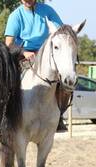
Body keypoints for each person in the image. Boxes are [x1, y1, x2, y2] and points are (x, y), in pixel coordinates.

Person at [4, 0, 69, 131]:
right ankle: (6, 114)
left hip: (47, 55)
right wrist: (24, 52)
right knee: (7, 79)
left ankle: (59, 115)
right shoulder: (15, 16)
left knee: (65, 80)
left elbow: (61, 31)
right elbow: (9, 43)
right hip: (23, 55)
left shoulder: (48, 11)